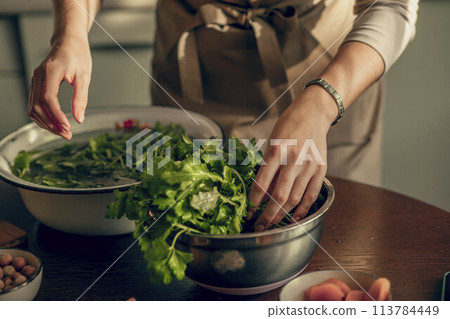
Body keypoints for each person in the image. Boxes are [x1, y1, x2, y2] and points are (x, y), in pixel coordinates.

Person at [27, 0, 418, 231]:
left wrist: (323, 101)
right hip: (193, 71)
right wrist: (71, 33)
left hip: (330, 76)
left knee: (337, 234)